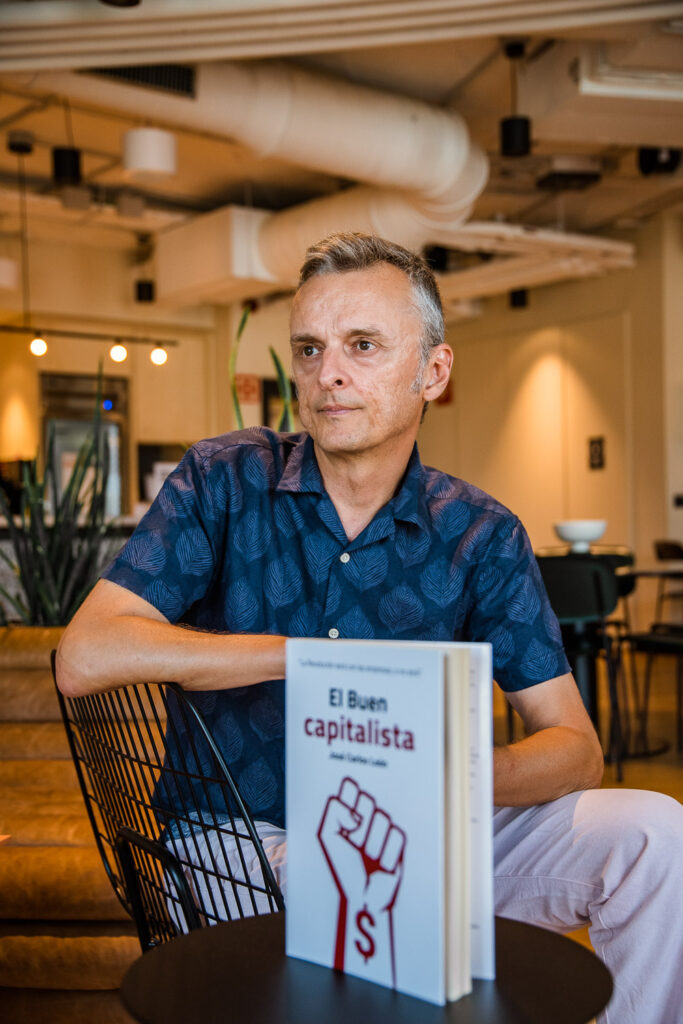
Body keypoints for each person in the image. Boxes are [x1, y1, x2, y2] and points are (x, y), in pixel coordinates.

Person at [57, 233, 683, 1024]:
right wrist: (305, 660)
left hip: (421, 828)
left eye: (362, 346)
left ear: (434, 371)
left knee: (654, 833)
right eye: (310, 350)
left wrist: (437, 780)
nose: (329, 375)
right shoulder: (225, 479)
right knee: (371, 902)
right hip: (247, 843)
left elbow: (574, 747)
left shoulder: (478, 533)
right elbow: (86, 653)